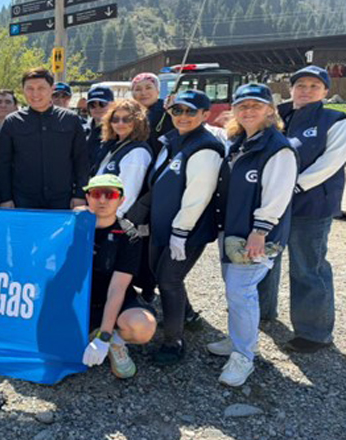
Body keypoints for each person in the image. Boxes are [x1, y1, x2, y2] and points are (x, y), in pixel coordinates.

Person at [207, 84, 297, 386]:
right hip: (233, 230)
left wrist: (260, 231)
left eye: (256, 105)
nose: (248, 111)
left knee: (241, 292)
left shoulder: (278, 148)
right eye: (242, 105)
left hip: (255, 235)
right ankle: (239, 340)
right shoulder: (240, 142)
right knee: (235, 289)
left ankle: (244, 355)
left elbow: (278, 195)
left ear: (270, 110)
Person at [258, 66, 346, 353]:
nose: (306, 90)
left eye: (314, 86)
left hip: (311, 205)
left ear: (325, 91)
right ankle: (261, 310)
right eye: (301, 85)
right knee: (264, 259)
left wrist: (293, 186)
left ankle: (314, 333)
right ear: (291, 88)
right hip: (274, 203)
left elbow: (330, 163)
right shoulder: (278, 116)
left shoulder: (335, 120)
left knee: (308, 267)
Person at [148, 90, 225, 365]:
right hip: (164, 226)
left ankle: (174, 342)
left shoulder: (205, 147)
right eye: (177, 110)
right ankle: (186, 316)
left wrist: (180, 232)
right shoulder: (174, 140)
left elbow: (198, 196)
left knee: (169, 280)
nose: (183, 116)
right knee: (162, 276)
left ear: (205, 115)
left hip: (187, 231)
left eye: (191, 111)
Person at [81, 174, 157, 379]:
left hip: (113, 298)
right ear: (87, 197)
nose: (102, 200)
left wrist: (104, 337)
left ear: (121, 200)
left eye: (110, 195)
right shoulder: (73, 225)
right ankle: (90, 331)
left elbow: (117, 289)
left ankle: (116, 341)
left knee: (143, 327)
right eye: (96, 194)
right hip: (79, 301)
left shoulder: (128, 235)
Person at [0, 67, 89, 210]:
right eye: (30, 88)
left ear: (51, 89)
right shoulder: (12, 122)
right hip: (23, 200)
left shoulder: (71, 120)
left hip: (63, 200)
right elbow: (3, 164)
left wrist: (80, 195)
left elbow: (81, 161)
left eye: (41, 88)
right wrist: (6, 198)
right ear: (23, 90)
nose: (35, 94)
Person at [94, 99, 153, 219]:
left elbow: (128, 194)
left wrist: (111, 218)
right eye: (115, 119)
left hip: (115, 219)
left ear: (138, 121)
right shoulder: (115, 145)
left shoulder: (137, 152)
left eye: (127, 119)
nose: (120, 123)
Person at [131, 73, 174, 156]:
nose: (143, 93)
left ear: (157, 90)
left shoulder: (167, 111)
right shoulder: (128, 114)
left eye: (148, 88)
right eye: (138, 89)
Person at [85, 85, 115, 172]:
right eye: (92, 105)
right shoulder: (82, 131)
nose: (97, 108)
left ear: (113, 105)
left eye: (102, 104)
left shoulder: (119, 131)